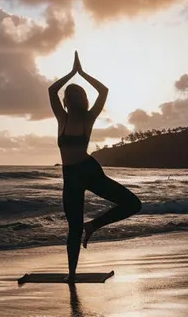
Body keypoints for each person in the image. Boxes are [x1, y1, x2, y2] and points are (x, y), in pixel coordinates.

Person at [48, 51, 142, 283]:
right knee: (73, 228)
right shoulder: (62, 118)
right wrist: (70, 74)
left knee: (133, 204)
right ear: (66, 101)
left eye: (75, 93)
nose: (71, 96)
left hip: (89, 171)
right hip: (70, 177)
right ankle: (71, 274)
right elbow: (51, 91)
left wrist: (82, 74)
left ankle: (94, 225)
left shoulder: (89, 118)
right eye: (69, 94)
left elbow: (104, 92)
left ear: (81, 99)